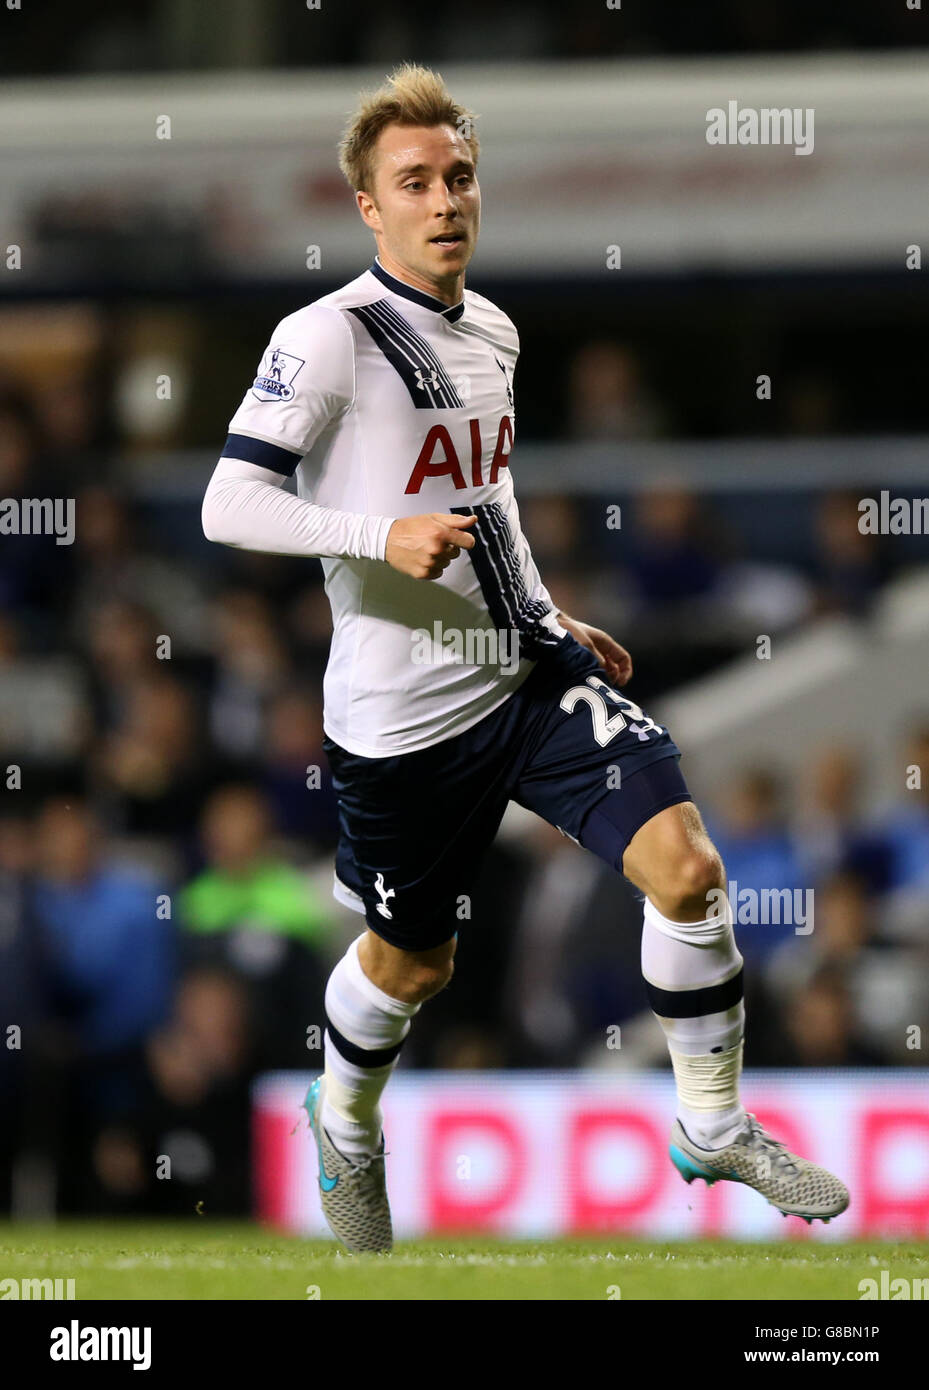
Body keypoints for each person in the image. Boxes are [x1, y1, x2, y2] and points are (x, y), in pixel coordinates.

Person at [201, 64, 848, 1252]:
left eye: (459, 176)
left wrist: (548, 615)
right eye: (415, 182)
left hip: (523, 677)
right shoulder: (327, 336)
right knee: (414, 963)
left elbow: (485, 492)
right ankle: (344, 1120)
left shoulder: (492, 329)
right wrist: (373, 535)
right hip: (401, 723)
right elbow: (226, 502)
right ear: (367, 206)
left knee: (689, 868)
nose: (445, 199)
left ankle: (709, 1120)